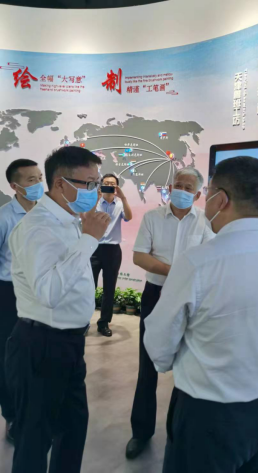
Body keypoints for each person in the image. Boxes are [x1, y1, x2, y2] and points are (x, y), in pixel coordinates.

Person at [144, 156, 258, 474]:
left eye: (207, 193)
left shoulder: (197, 262)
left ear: (221, 199)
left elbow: (159, 345)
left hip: (209, 415)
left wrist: (169, 363)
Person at [6, 147, 110, 474]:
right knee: (35, 439)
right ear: (61, 184)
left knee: (73, 429)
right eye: (88, 184)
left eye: (96, 184)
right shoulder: (38, 227)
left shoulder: (70, 221)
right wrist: (89, 240)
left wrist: (86, 235)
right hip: (41, 345)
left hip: (68, 344)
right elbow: (49, 292)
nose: (94, 191)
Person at [126, 168, 214, 460]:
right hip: (156, 295)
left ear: (197, 194)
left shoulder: (205, 221)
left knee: (189, 363)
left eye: (188, 187)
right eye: (178, 184)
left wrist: (181, 275)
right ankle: (141, 431)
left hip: (193, 298)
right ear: (170, 186)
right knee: (147, 362)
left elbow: (211, 259)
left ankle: (181, 433)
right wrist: (176, 271)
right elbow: (140, 256)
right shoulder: (153, 217)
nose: (182, 190)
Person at [0, 160, 44, 442]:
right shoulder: (4, 217)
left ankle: (34, 413)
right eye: (31, 180)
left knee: (37, 355)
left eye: (40, 177)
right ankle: (13, 415)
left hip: (40, 292)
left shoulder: (46, 213)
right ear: (14, 186)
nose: (38, 184)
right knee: (8, 357)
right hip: (8, 293)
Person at [92, 173, 133, 337]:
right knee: (88, 287)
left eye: (112, 184)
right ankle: (83, 322)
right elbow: (86, 217)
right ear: (101, 184)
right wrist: (96, 198)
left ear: (117, 186)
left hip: (113, 251)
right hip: (94, 249)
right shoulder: (95, 202)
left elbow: (129, 217)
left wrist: (123, 198)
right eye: (106, 183)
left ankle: (103, 323)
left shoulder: (120, 204)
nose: (109, 185)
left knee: (109, 289)